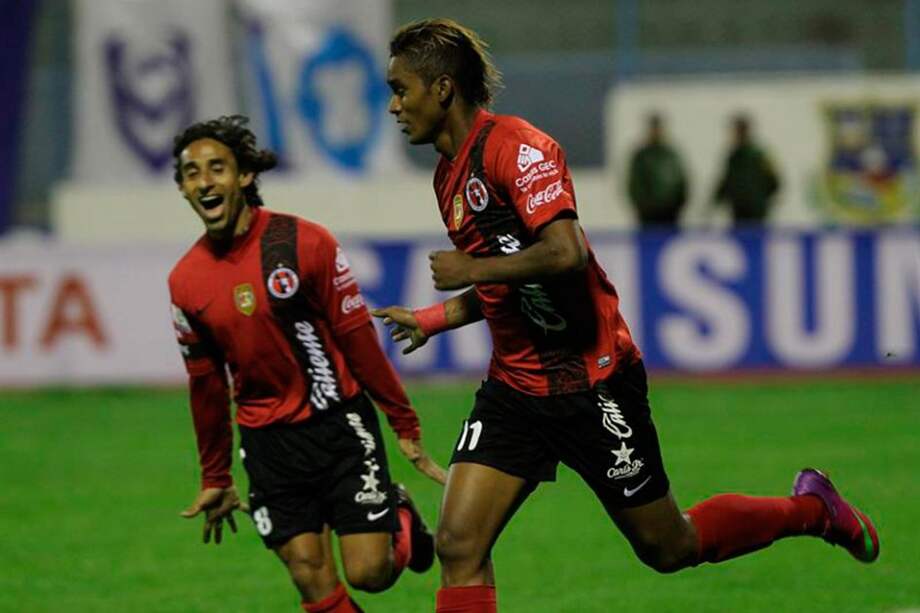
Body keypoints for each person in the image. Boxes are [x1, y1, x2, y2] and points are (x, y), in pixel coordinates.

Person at [375, 19, 879, 613]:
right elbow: (517, 279)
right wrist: (435, 318)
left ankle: (814, 511)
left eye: (400, 89)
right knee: (460, 547)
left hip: (593, 383)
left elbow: (565, 253)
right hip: (515, 388)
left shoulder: (518, 148)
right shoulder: (448, 176)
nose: (394, 106)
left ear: (441, 90)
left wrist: (472, 270)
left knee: (669, 546)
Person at [168, 115, 446, 613]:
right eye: (192, 173)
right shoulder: (185, 281)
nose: (205, 181)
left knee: (370, 574)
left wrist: (402, 418)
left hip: (338, 425)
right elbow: (205, 384)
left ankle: (399, 513)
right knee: (311, 578)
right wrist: (215, 476)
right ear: (184, 189)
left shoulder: (304, 243)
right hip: (267, 443)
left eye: (217, 168)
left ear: (245, 176)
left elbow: (356, 336)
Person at [712, 113, 781, 225]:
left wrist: (760, 200)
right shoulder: (733, 156)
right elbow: (726, 181)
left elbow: (774, 182)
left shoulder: (759, 155)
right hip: (738, 210)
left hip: (756, 212)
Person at [627, 113, 688, 228]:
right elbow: (635, 186)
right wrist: (644, 207)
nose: (656, 131)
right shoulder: (641, 157)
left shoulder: (670, 155)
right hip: (647, 218)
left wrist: (677, 206)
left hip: (671, 216)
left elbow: (681, 183)